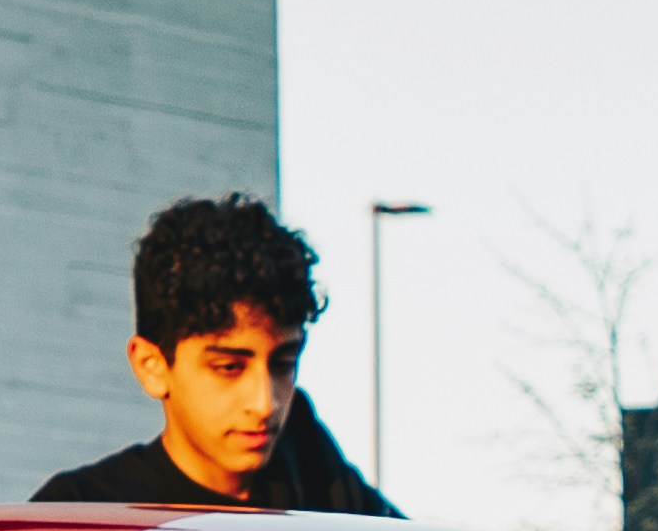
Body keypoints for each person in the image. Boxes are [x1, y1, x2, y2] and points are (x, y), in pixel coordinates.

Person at [33, 194, 399, 514]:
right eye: (229, 367)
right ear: (152, 367)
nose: (265, 403)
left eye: (283, 364)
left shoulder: (308, 459)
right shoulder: (82, 518)